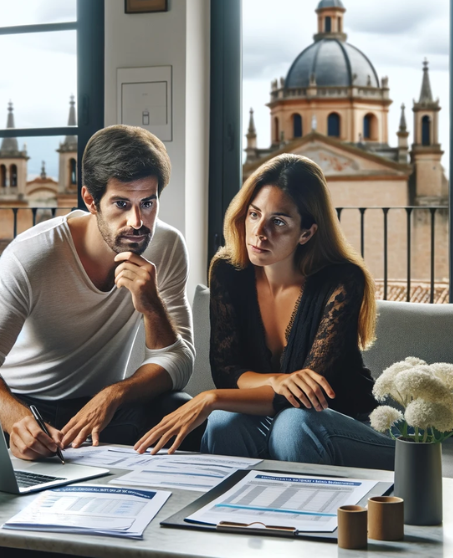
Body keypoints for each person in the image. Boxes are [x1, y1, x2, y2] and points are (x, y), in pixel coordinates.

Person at [0, 125, 195, 461]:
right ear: (91, 200)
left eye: (147, 203)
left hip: (98, 405)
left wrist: (151, 307)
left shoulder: (167, 246)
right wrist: (18, 420)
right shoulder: (33, 254)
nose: (137, 221)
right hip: (23, 402)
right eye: (121, 203)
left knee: (180, 410)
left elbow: (180, 360)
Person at [135, 154, 395, 470]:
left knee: (292, 424)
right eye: (254, 214)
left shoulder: (342, 280)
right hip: (281, 420)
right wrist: (274, 381)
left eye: (279, 221)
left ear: (307, 233)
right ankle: (230, 517)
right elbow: (227, 370)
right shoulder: (228, 271)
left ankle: (312, 519)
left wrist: (210, 398)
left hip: (349, 425)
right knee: (223, 424)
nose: (260, 232)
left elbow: (306, 395)